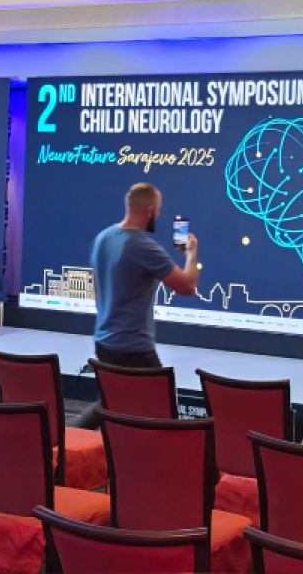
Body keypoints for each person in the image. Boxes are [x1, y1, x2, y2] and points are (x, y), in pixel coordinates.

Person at [75, 183, 199, 429]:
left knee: (111, 403)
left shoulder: (103, 238)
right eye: (158, 209)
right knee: (163, 411)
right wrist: (191, 253)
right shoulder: (143, 247)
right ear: (149, 210)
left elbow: (96, 289)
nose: (159, 214)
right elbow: (187, 286)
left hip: (104, 342)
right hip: (133, 348)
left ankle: (67, 441)